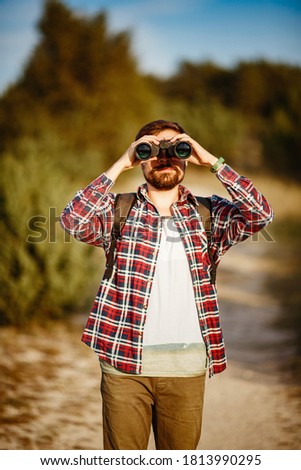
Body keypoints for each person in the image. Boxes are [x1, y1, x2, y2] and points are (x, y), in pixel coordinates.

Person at [60, 119, 274, 450]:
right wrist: (120, 164)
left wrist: (213, 162)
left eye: (177, 148)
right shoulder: (119, 210)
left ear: (188, 156)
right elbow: (72, 220)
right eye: (151, 149)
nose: (164, 156)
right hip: (123, 366)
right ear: (139, 157)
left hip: (186, 368)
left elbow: (260, 214)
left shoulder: (209, 213)